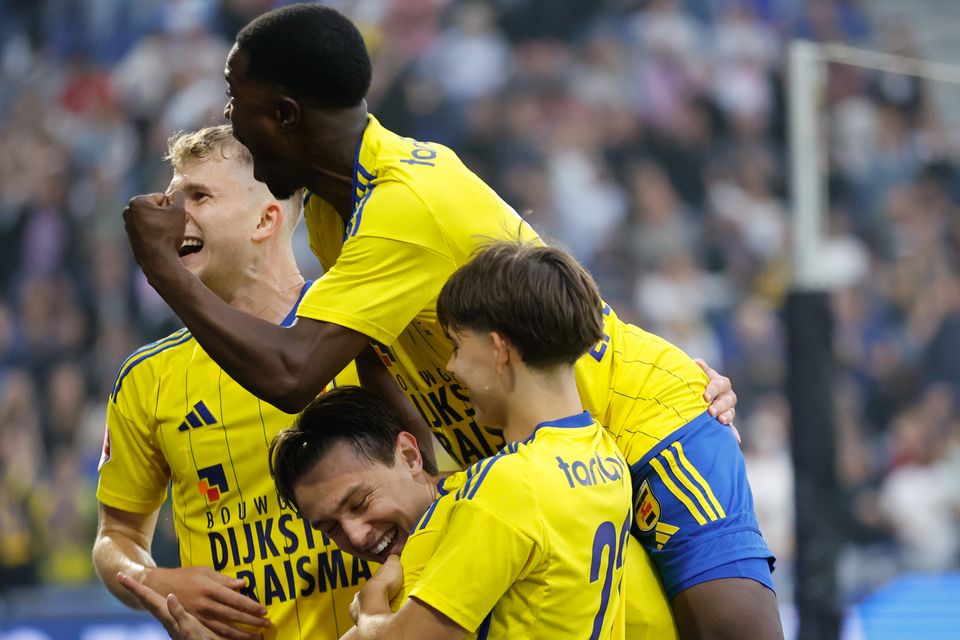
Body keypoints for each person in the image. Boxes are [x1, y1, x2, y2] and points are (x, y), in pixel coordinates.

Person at [122, 5, 781, 637]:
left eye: (238, 103)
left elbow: (294, 373)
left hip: (638, 424)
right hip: (531, 461)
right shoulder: (332, 213)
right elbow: (376, 357)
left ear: (286, 114)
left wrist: (163, 269)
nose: (231, 122)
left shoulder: (406, 201)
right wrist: (425, 479)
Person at [94, 125, 387, 640]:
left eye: (199, 196)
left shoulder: (365, 333)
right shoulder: (146, 378)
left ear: (265, 219)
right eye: (172, 196)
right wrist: (157, 578)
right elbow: (115, 535)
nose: (170, 216)